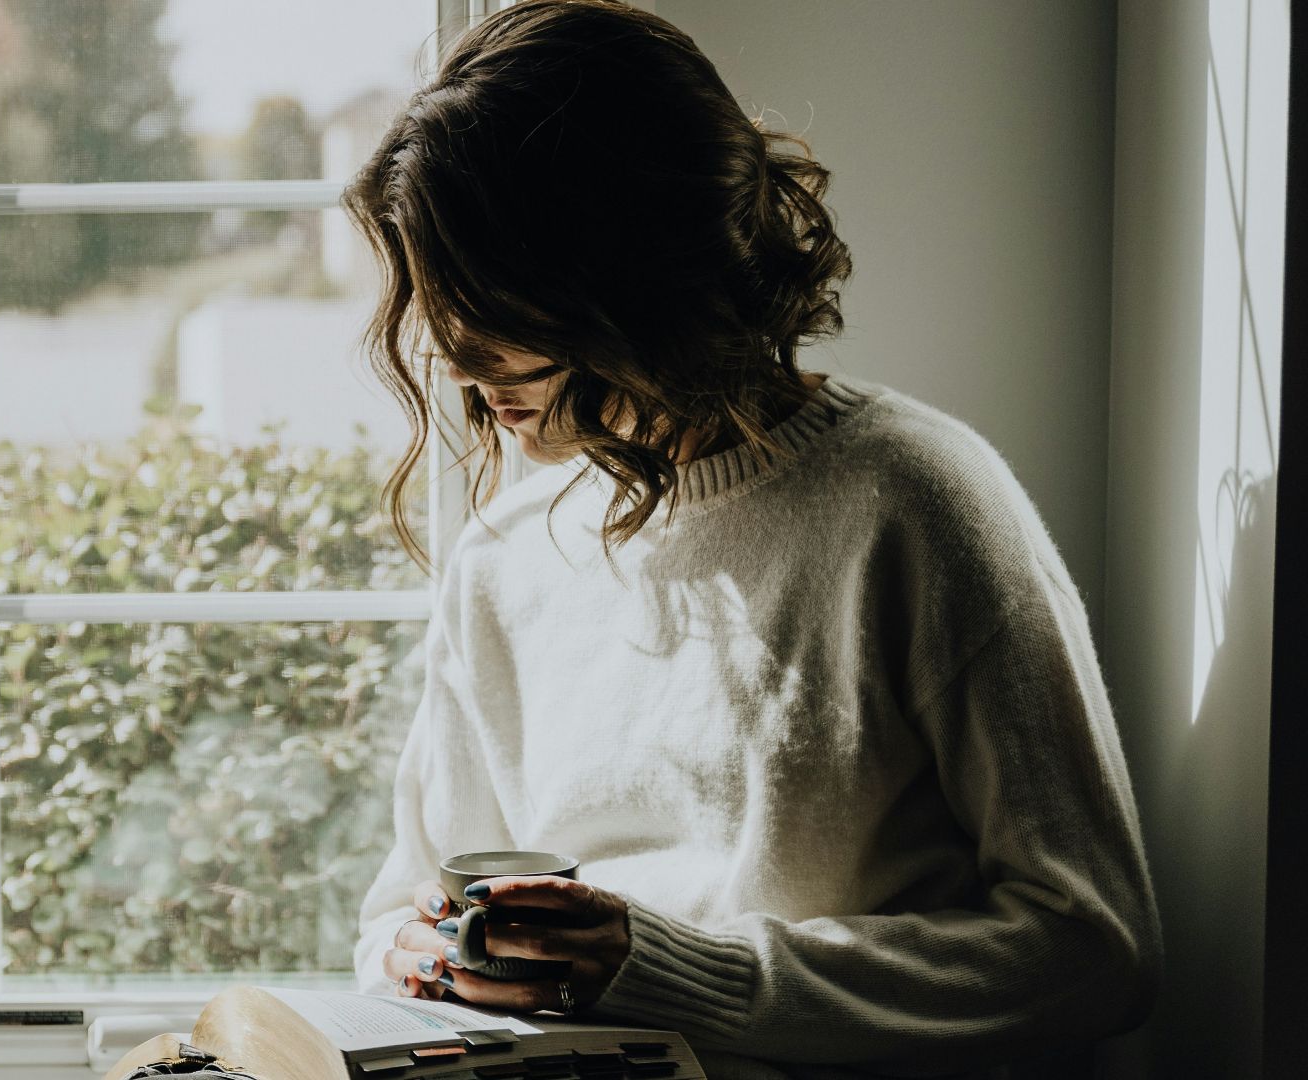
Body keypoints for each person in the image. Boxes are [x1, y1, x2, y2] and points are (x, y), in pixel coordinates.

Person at [339, 2, 1162, 1077]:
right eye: (441, 305)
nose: (453, 360)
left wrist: (680, 969)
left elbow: (1093, 950)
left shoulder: (914, 505)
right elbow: (396, 910)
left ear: (624, 271)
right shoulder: (503, 561)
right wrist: (412, 955)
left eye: (487, 303)